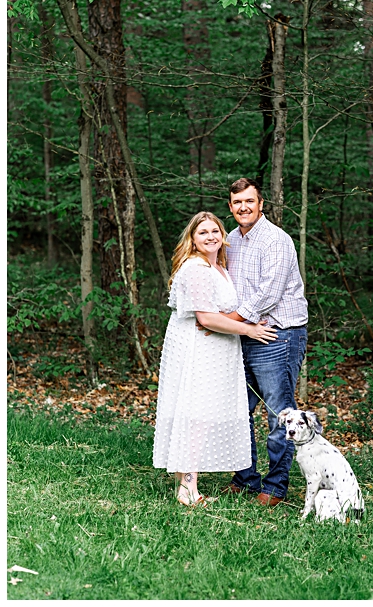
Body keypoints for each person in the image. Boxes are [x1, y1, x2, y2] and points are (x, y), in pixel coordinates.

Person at [153, 211, 278, 507]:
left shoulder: (218, 266)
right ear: (192, 240)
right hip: (197, 350)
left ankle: (186, 482)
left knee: (199, 414)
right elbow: (207, 318)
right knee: (195, 415)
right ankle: (187, 489)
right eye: (202, 233)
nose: (210, 236)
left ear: (223, 235)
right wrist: (250, 330)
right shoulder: (196, 267)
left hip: (214, 350)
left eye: (215, 231)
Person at [220, 178, 310, 508]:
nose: (243, 207)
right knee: (236, 410)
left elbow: (268, 296)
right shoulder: (230, 240)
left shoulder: (276, 240)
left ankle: (275, 486)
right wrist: (236, 326)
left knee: (279, 416)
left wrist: (223, 323)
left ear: (261, 204)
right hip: (244, 333)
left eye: (249, 201)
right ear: (230, 207)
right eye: (237, 202)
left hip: (277, 336)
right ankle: (245, 478)